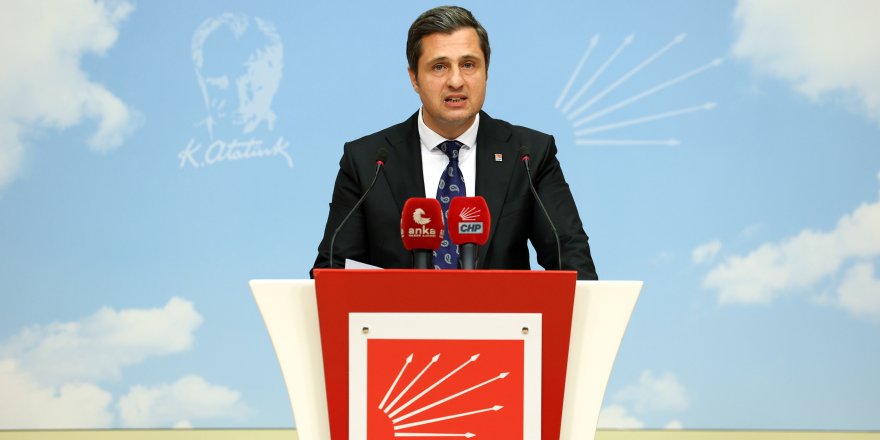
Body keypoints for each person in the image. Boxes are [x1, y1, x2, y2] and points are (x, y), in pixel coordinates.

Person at [312, 5, 598, 280]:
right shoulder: (368, 162)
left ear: (486, 72)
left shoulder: (528, 155)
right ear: (414, 78)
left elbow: (572, 262)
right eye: (439, 67)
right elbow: (333, 271)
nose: (456, 81)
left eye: (469, 65)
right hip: (398, 315)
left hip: (501, 315)